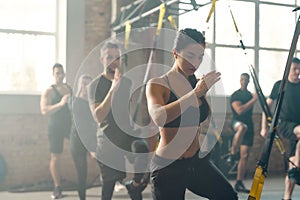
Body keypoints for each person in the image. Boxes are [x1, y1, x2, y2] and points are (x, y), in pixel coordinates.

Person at [145, 28, 238, 200]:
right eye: (189, 55)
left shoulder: (195, 82)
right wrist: (195, 94)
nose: (195, 62)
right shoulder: (158, 84)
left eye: (200, 56)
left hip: (196, 163)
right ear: (175, 53)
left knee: (228, 197)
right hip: (168, 167)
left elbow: (201, 116)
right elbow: (158, 117)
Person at [88, 41, 150, 200]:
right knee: (108, 189)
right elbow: (98, 116)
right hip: (107, 140)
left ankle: (134, 186)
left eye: (117, 57)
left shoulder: (127, 83)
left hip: (125, 136)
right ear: (102, 59)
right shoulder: (94, 85)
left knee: (142, 148)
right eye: (109, 57)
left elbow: (123, 112)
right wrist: (113, 88)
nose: (114, 61)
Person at [261, 57, 300, 200]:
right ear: (288, 70)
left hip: (298, 127)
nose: (297, 72)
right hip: (284, 124)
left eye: (299, 69)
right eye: (294, 69)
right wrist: (264, 127)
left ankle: (287, 197)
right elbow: (267, 106)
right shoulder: (280, 85)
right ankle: (296, 169)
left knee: (293, 162)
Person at [40, 63, 72, 199]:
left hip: (69, 125)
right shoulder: (49, 91)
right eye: (57, 73)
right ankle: (57, 187)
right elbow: (44, 110)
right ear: (53, 75)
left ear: (64, 74)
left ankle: (108, 179)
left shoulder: (69, 88)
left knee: (86, 149)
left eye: (61, 72)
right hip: (55, 127)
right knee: (55, 157)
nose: (59, 75)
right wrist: (61, 103)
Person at [228, 73, 257, 193]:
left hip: (249, 126)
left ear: (249, 81)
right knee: (242, 127)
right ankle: (232, 153)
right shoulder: (236, 95)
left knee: (244, 156)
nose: (244, 81)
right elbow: (239, 110)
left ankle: (239, 182)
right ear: (240, 80)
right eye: (242, 79)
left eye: (246, 79)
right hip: (237, 122)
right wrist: (254, 99)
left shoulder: (249, 94)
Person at [70, 74, 97, 200]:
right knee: (82, 173)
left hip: (92, 138)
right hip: (78, 140)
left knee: (106, 167)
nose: (86, 87)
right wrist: (91, 148)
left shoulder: (93, 102)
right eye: (84, 84)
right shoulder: (75, 102)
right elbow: (81, 127)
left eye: (88, 84)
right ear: (80, 85)